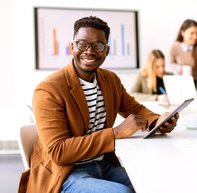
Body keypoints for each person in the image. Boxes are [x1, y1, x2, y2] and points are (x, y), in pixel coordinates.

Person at [18, 16, 179, 193]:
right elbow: (58, 151)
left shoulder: (110, 80)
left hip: (104, 165)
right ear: (72, 46)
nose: (89, 51)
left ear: (106, 50)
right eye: (82, 44)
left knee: (156, 182)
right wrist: (116, 133)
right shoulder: (49, 90)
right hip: (66, 173)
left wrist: (158, 121)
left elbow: (135, 109)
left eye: (98, 45)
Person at [170, 19, 197, 93]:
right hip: (180, 84)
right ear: (183, 32)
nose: (195, 37)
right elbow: (171, 63)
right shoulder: (175, 47)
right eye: (192, 33)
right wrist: (178, 68)